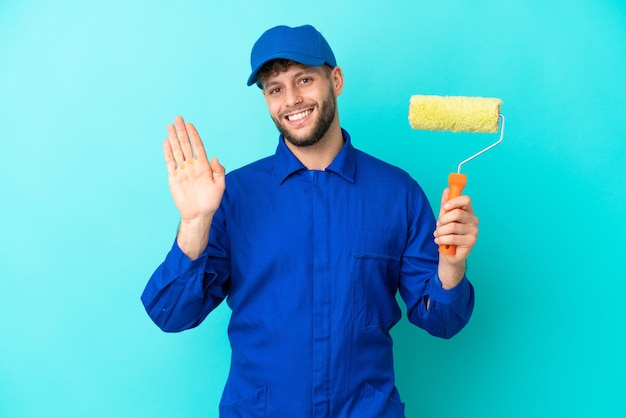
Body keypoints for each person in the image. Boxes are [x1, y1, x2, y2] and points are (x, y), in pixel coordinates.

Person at [142, 24, 478, 418]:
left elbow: (443, 321)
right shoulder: (232, 196)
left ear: (335, 79)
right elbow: (171, 314)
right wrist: (196, 222)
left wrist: (452, 265)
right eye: (275, 88)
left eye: (304, 79)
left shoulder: (397, 193)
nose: (292, 100)